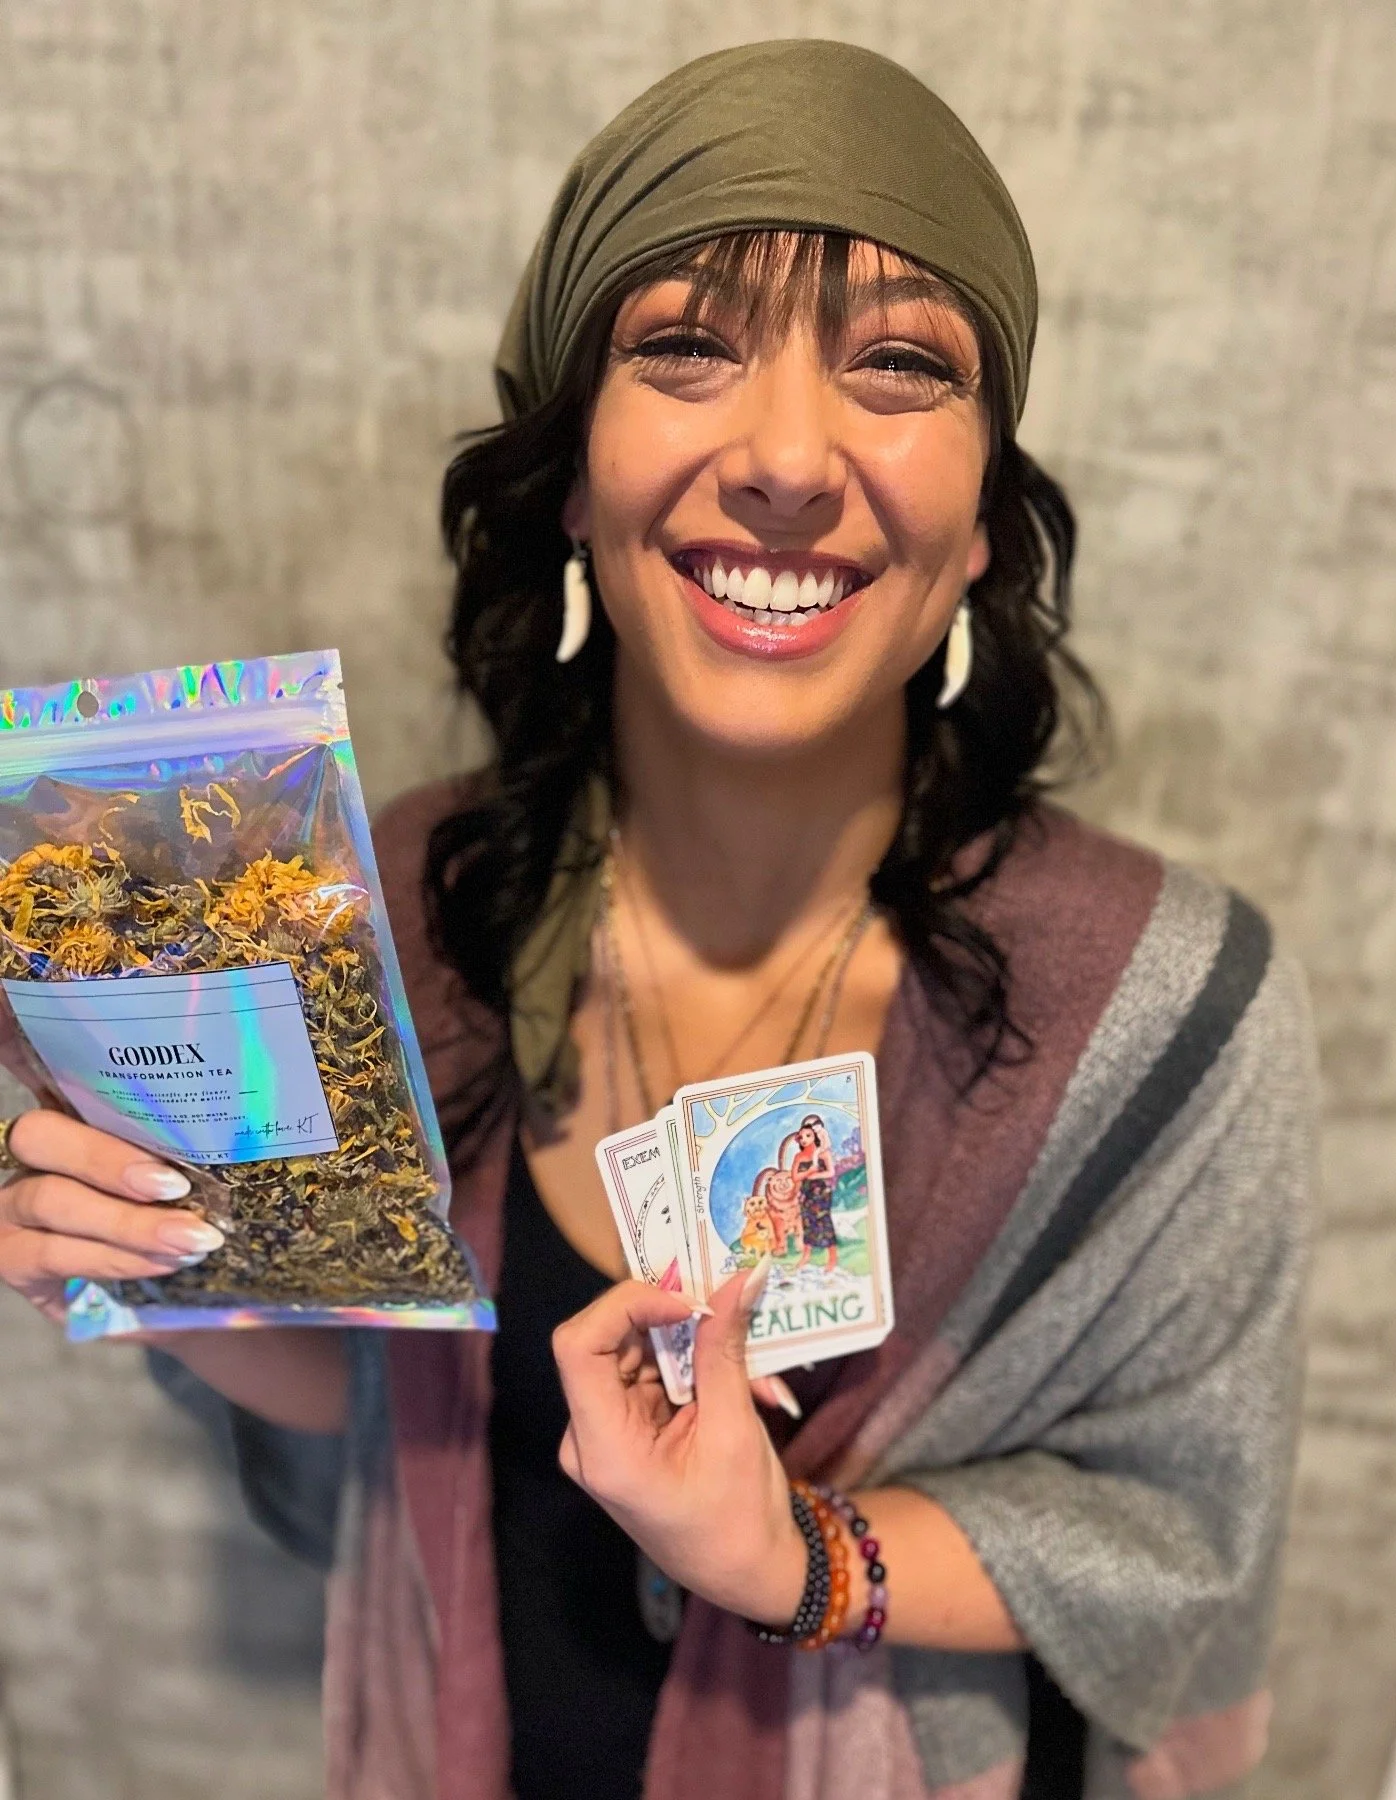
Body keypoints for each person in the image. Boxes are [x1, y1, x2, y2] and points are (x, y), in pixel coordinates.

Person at [0, 39, 1314, 1800]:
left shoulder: (1166, 1009)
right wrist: (164, 1267)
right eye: (685, 347)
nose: (786, 454)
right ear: (568, 473)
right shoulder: (379, 905)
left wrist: (796, 1557)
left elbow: (1182, 1546)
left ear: (985, 522)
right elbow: (374, 1434)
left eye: (902, 367)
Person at [785, 1117, 839, 1276]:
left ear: (815, 1136)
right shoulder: (799, 1157)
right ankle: (806, 1255)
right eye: (801, 1137)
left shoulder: (823, 1154)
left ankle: (832, 1257)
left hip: (821, 1193)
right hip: (806, 1194)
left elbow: (831, 1172)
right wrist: (809, 1172)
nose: (804, 1139)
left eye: (808, 1135)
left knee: (824, 1223)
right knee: (807, 1223)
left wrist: (814, 1175)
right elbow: (795, 1177)